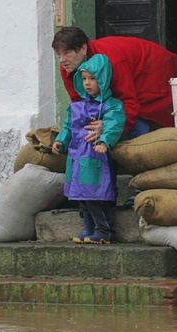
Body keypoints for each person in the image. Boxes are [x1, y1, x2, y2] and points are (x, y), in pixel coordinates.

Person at [51, 26, 177, 142]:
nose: (62, 60)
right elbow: (81, 105)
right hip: (130, 68)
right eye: (58, 54)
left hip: (151, 68)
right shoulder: (67, 67)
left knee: (140, 121)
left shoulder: (113, 61)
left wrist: (107, 126)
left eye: (67, 53)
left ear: (83, 49)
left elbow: (129, 103)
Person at [52, 54, 125, 244]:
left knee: (94, 195)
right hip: (77, 157)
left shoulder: (111, 106)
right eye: (84, 79)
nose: (87, 83)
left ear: (103, 79)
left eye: (92, 78)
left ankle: (104, 230)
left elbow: (113, 125)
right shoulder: (77, 107)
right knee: (80, 196)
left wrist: (105, 142)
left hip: (96, 157)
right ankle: (88, 228)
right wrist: (61, 141)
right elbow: (68, 126)